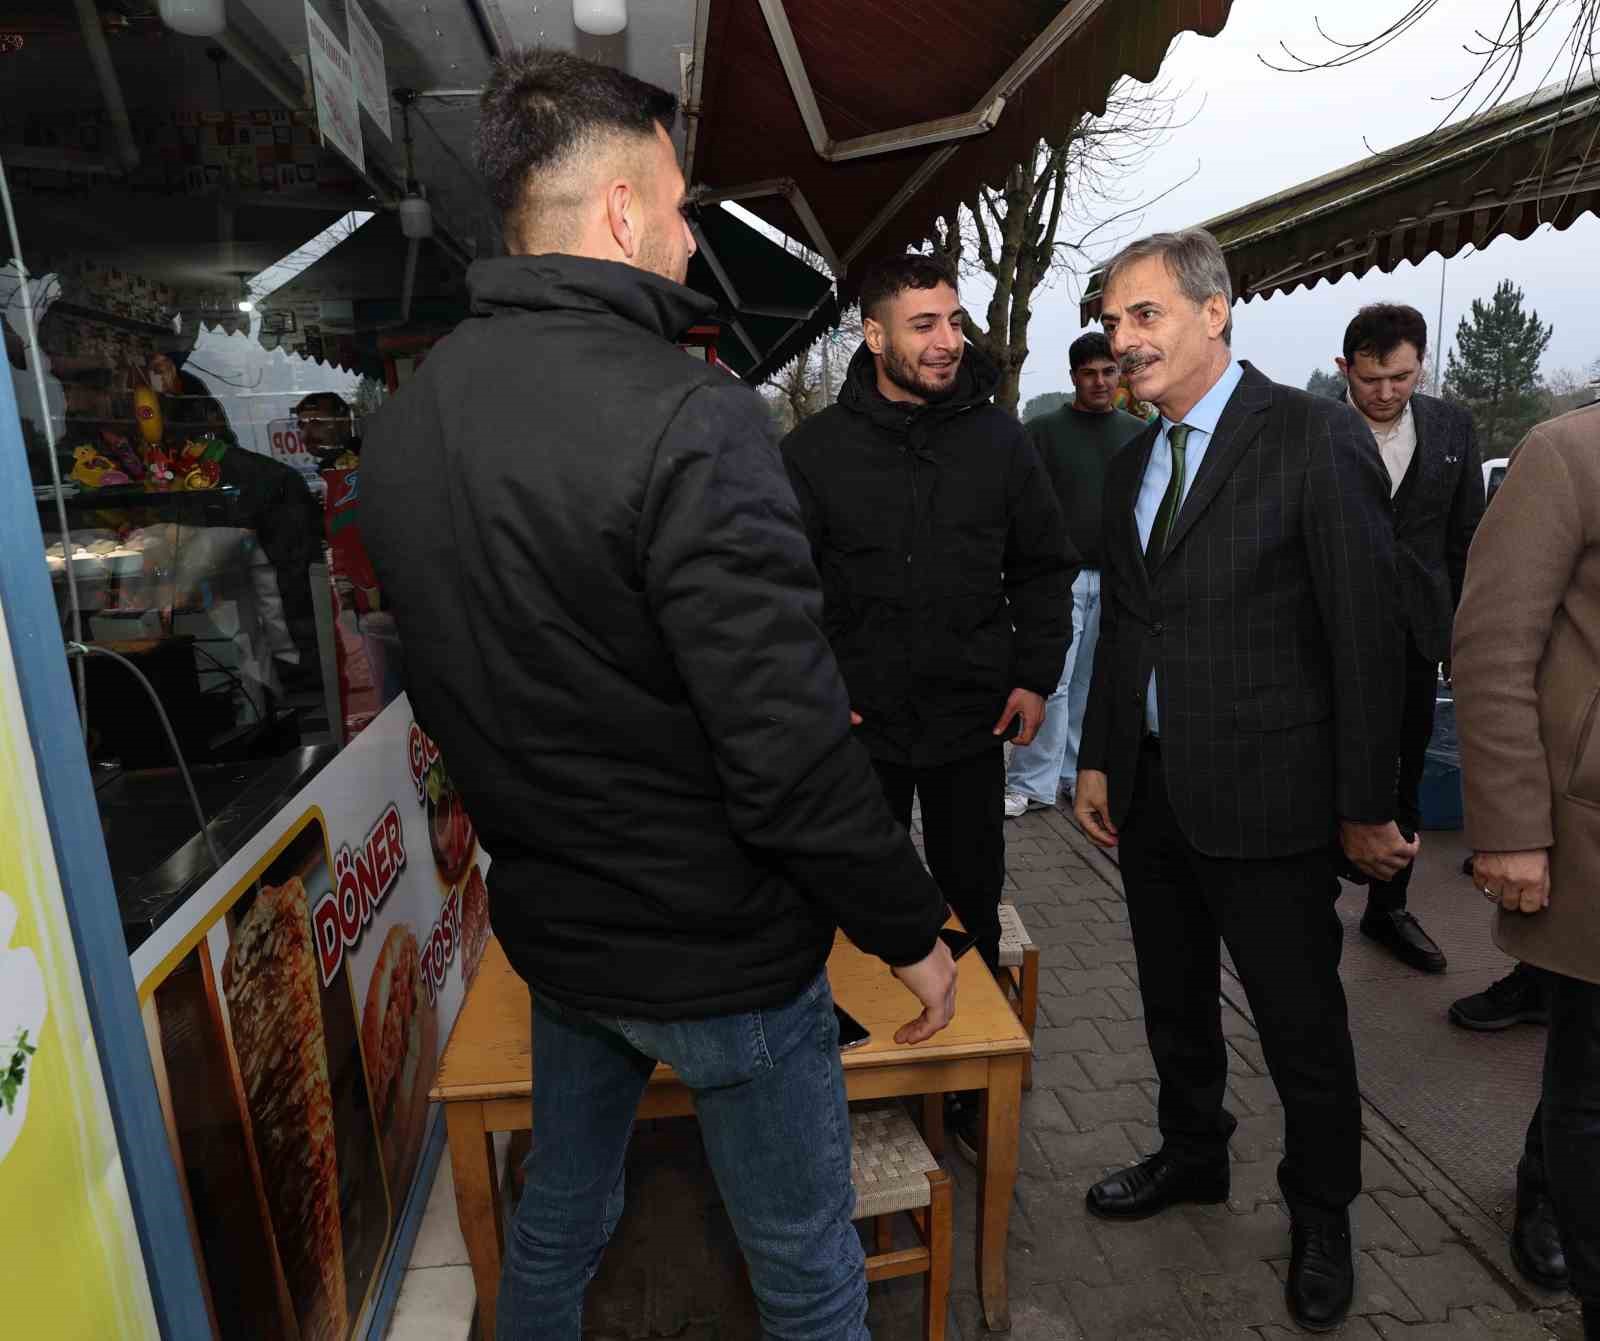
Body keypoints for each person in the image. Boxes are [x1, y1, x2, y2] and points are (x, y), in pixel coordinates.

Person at [359, 51, 957, 1341]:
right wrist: (909, 929)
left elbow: (473, 681)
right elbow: (785, 745)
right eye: (681, 209)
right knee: (805, 1268)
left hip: (563, 932)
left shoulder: (406, 423)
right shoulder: (691, 417)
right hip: (715, 947)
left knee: (561, 1219)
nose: (690, 242)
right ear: (623, 213)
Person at [1073, 228, 1412, 1333]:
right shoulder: (1132, 462)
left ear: (1215, 312)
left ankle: (1322, 1213)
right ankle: (1191, 1154)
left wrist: (1366, 807)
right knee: (1171, 999)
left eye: (1145, 317)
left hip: (1272, 799)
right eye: (1115, 323)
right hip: (1155, 790)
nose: (1123, 343)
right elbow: (1127, 625)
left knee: (1298, 1023)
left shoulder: (1309, 439)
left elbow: (1366, 637)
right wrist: (1095, 754)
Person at [781, 251, 1073, 978]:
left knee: (971, 895)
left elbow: (1042, 566)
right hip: (854, 725)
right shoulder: (813, 452)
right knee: (847, 894)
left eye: (953, 319)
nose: (947, 340)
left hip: (971, 718)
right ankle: (848, 1055)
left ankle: (966, 1070)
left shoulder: (1002, 440)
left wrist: (1035, 676)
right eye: (923, 324)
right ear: (874, 337)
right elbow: (778, 587)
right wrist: (812, 687)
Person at [1451, 400, 1600, 1338]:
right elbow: (1493, 646)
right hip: (1592, 831)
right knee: (1591, 1079)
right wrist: (1511, 827)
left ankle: (1543, 1184)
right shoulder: (1566, 452)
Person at [1331, 303, 1484, 973]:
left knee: (1407, 768)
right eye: (1370, 380)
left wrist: (1460, 632)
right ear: (1345, 369)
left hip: (1418, 632)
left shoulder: (1453, 426)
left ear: (1421, 367)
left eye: (1400, 377)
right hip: (1329, 633)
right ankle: (1308, 898)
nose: (1386, 393)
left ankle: (1388, 907)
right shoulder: (1313, 429)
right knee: (1318, 762)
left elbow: (1465, 537)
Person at [1004, 331, 1145, 818]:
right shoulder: (1041, 432)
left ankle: (1071, 776)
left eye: (1109, 371)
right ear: (1074, 378)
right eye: (1090, 373)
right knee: (1053, 682)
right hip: (1060, 579)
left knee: (1091, 684)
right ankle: (1027, 782)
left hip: (1116, 578)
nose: (1100, 381)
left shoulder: (1137, 432)